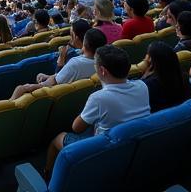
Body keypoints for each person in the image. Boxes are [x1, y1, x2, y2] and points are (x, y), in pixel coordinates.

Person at [46, 44, 150, 173]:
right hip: (130, 143)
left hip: (102, 149)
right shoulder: (142, 86)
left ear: (102, 71)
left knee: (58, 139)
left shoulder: (98, 98)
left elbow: (76, 127)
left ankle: (47, 175)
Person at [12, 23, 104, 99]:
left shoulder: (75, 62)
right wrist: (49, 76)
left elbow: (54, 83)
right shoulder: (103, 62)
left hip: (53, 93)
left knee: (20, 88)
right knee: (40, 76)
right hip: (75, 94)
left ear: (77, 38)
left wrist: (61, 59)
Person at [141, 41, 187, 112]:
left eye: (147, 54)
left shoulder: (147, 85)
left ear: (151, 59)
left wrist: (143, 77)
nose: (145, 58)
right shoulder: (182, 76)